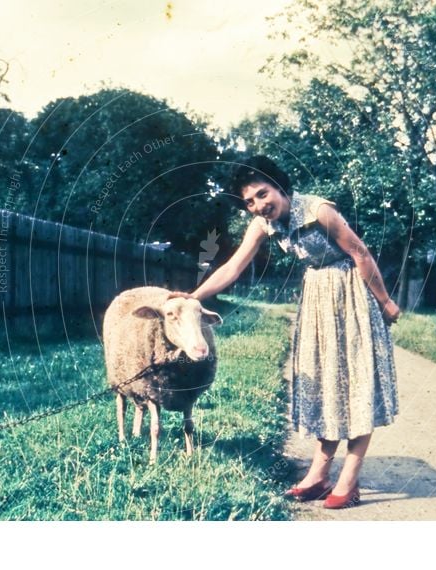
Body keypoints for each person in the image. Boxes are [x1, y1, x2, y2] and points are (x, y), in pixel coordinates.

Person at [181, 155, 399, 509]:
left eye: (263, 194)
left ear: (280, 186)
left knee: (356, 385)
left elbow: (360, 253)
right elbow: (233, 267)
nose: (258, 206)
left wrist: (386, 302)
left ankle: (349, 479)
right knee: (328, 385)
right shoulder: (263, 224)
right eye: (250, 202)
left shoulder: (318, 210)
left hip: (352, 294)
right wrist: (191, 298)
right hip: (317, 300)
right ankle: (317, 476)